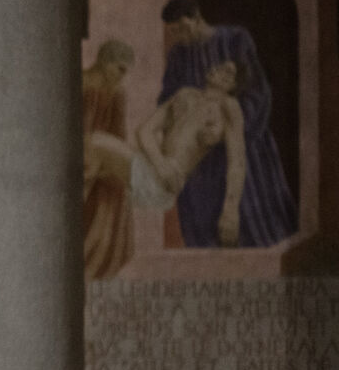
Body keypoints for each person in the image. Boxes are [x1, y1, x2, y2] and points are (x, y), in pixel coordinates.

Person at [157, 0, 296, 248]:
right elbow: (167, 99)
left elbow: (257, 92)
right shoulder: (178, 54)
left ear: (197, 18)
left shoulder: (235, 39)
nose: (179, 36)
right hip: (198, 156)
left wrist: (224, 131)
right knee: (204, 232)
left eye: (182, 28)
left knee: (250, 226)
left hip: (242, 144)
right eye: (173, 32)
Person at [94, 58, 247, 246]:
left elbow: (237, 162)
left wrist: (230, 210)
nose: (219, 69)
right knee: (91, 167)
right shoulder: (185, 94)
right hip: (154, 167)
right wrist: (160, 164)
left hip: (162, 183)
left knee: (95, 143)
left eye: (228, 72)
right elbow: (145, 131)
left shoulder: (229, 106)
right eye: (221, 65)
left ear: (233, 85)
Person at [82, 39, 136, 279]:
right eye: (120, 69)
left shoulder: (118, 92)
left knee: (118, 187)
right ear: (105, 61)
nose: (123, 76)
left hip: (102, 156)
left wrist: (112, 164)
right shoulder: (81, 82)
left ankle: (102, 264)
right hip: (80, 156)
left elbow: (118, 133)